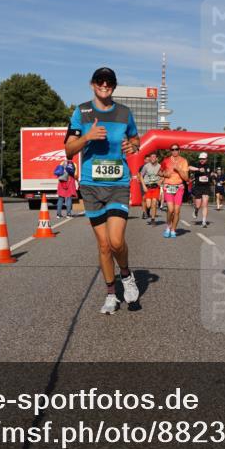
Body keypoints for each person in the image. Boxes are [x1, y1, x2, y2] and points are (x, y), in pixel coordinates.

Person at [64, 67, 140, 314]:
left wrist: (132, 146)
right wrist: (87, 137)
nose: (104, 84)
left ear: (114, 86)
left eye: (109, 82)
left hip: (118, 184)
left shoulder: (124, 113)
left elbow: (136, 140)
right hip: (91, 185)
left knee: (117, 241)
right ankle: (111, 294)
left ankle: (126, 276)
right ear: (92, 84)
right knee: (104, 245)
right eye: (100, 81)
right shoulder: (81, 111)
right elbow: (68, 150)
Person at [159, 144, 189, 238]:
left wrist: (179, 170)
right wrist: (165, 174)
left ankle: (173, 230)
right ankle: (168, 226)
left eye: (176, 149)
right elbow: (159, 172)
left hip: (179, 187)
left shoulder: (183, 161)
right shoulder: (166, 160)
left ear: (179, 150)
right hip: (168, 187)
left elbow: (186, 178)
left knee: (177, 211)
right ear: (170, 151)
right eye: (172, 149)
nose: (174, 151)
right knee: (170, 209)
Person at [189, 152, 216, 228]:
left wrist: (213, 175)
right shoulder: (197, 165)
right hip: (198, 187)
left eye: (203, 159)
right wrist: (198, 169)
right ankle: (196, 210)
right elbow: (189, 167)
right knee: (198, 204)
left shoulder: (209, 167)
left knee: (205, 204)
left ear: (206, 159)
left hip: (206, 187)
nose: (202, 160)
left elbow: (211, 174)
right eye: (201, 159)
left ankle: (204, 222)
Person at [139, 152, 162, 224]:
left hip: (156, 187)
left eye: (154, 157)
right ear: (150, 158)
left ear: (157, 158)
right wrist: (143, 186)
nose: (153, 158)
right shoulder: (146, 166)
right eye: (151, 157)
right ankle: (147, 210)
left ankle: (153, 219)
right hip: (148, 187)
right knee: (148, 205)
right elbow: (140, 176)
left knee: (154, 203)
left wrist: (161, 180)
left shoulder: (160, 166)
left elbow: (164, 174)